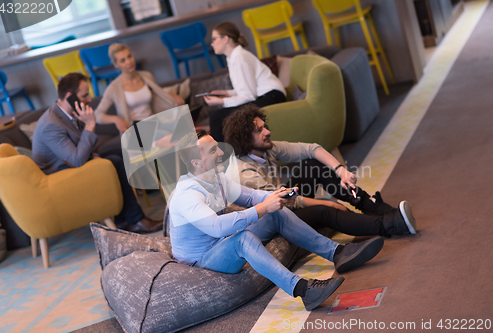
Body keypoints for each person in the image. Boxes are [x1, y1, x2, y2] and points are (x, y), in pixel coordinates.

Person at [167, 130, 385, 311]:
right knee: (244, 238)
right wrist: (262, 207)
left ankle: (338, 253)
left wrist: (277, 196)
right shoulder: (187, 195)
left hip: (221, 241)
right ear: (196, 162)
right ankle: (303, 290)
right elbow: (216, 227)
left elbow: (251, 196)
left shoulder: (216, 178)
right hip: (203, 260)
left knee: (276, 211)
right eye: (213, 150)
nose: (220, 151)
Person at [223, 105, 417, 236]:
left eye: (265, 126)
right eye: (259, 131)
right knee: (324, 211)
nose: (268, 132)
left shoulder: (268, 148)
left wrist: (341, 171)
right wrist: (328, 204)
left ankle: (373, 207)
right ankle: (389, 225)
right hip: (270, 220)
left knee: (311, 166)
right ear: (244, 140)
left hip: (282, 199)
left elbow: (312, 149)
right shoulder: (245, 172)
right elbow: (280, 204)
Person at [32, 73, 163, 234]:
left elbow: (79, 148)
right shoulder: (50, 125)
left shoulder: (67, 113)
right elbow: (77, 159)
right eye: (85, 95)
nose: (89, 99)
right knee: (114, 162)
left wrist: (93, 155)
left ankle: (124, 220)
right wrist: (90, 124)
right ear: (69, 97)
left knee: (120, 154)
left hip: (72, 163)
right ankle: (135, 220)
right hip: (60, 177)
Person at [204, 22, 287, 142]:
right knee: (218, 117)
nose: (211, 43)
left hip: (272, 97)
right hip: (266, 95)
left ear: (226, 39)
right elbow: (247, 87)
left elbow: (248, 96)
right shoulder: (233, 57)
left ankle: (226, 157)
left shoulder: (239, 58)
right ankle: (231, 156)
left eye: (214, 39)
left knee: (217, 117)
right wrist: (227, 93)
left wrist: (221, 101)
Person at [94, 43, 185, 133]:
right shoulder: (114, 88)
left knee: (182, 129)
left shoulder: (146, 76)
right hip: (135, 132)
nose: (128, 62)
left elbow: (157, 94)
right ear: (116, 64)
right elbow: (97, 115)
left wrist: (171, 95)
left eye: (129, 56)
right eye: (123, 60)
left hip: (155, 124)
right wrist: (115, 119)